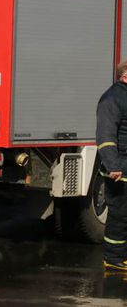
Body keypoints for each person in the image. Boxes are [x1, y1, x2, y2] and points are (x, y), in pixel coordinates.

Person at [96, 60, 127, 272]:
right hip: (120, 169)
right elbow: (106, 136)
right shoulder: (112, 99)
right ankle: (114, 259)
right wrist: (113, 165)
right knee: (120, 215)